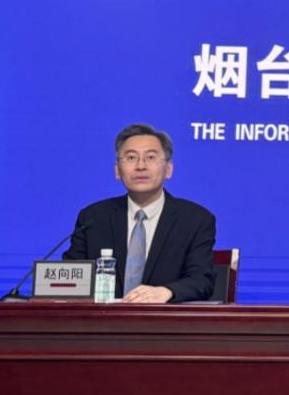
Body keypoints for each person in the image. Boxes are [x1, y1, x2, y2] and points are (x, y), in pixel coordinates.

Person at [63, 123, 216, 303]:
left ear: (168, 169)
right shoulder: (92, 218)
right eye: (131, 157)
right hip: (103, 319)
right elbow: (71, 277)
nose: (141, 166)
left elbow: (202, 280)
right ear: (117, 170)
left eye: (151, 157)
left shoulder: (195, 220)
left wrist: (166, 292)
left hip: (163, 318)